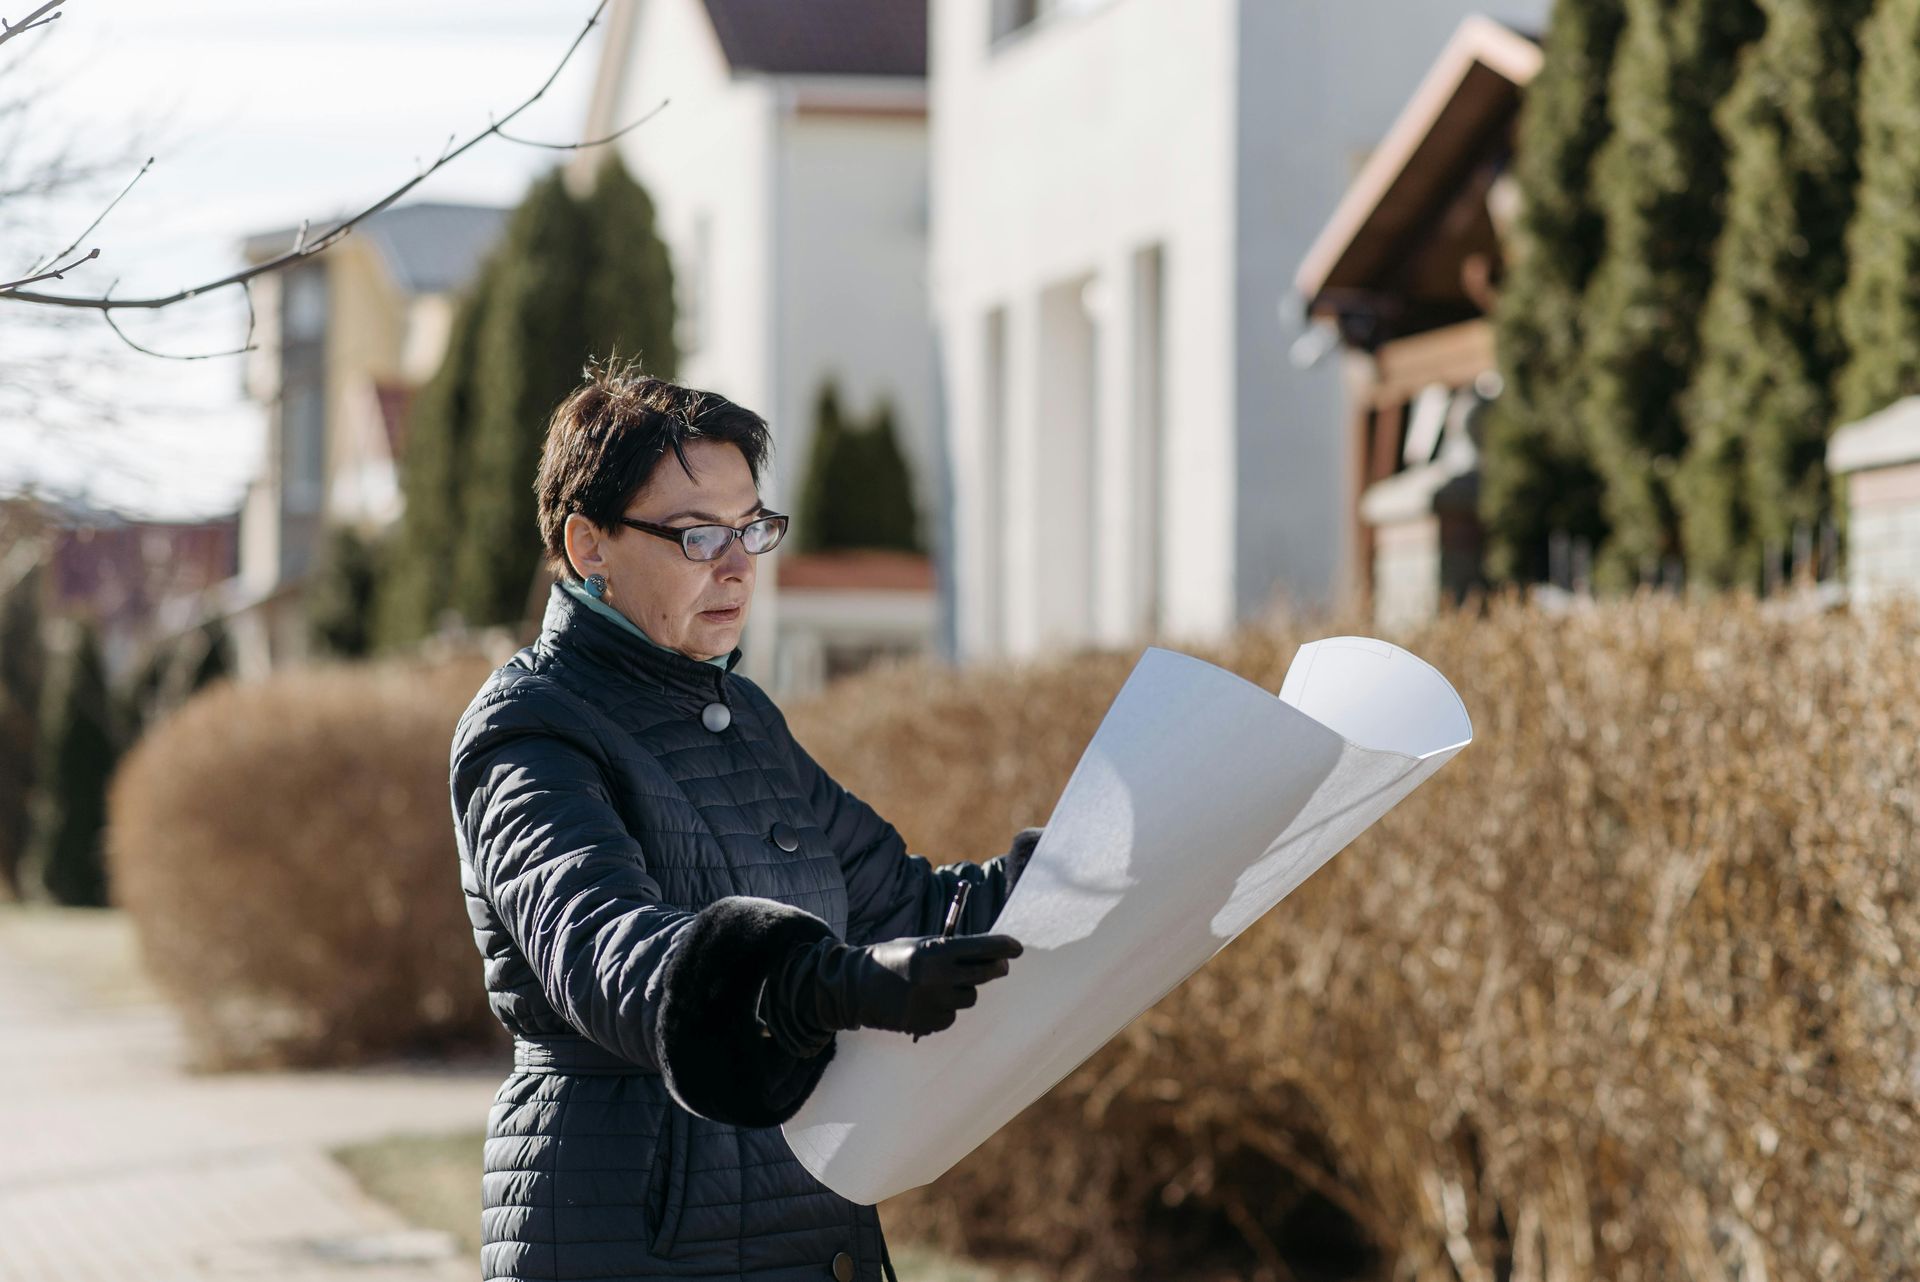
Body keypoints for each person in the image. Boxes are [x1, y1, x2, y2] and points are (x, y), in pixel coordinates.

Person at [449, 360, 1041, 1282]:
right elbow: (612, 953)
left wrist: (1079, 864)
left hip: (792, 1215)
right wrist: (821, 986)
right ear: (587, 544)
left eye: (752, 529)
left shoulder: (745, 719)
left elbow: (898, 902)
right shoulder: (530, 726)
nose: (737, 566)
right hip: (631, 1230)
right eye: (697, 536)